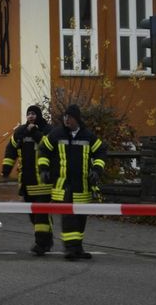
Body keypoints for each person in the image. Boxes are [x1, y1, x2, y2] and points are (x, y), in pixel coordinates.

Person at [37, 104, 106, 260]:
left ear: (77, 119)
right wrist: (43, 169)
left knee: (80, 218)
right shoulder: (56, 134)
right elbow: (43, 151)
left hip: (82, 185)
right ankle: (70, 249)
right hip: (63, 185)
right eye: (65, 117)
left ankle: (78, 247)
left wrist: (96, 169)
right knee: (68, 217)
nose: (67, 120)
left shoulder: (88, 136)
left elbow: (101, 152)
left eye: (70, 117)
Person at [1, 104, 53, 254]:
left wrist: (35, 133)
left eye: (34, 114)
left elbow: (49, 146)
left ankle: (41, 244)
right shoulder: (20, 132)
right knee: (33, 215)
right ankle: (46, 240)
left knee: (41, 214)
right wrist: (6, 169)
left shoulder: (47, 130)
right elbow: (11, 150)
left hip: (42, 181)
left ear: (39, 116)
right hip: (27, 182)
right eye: (28, 114)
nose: (31, 116)